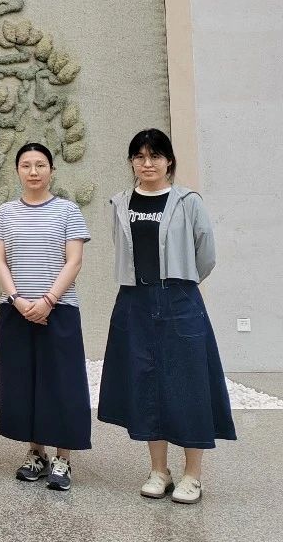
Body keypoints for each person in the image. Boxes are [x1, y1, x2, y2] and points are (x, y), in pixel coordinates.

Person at [98, 128, 235, 504]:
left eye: (155, 156)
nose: (147, 163)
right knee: (146, 384)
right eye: (139, 157)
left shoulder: (188, 201)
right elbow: (121, 248)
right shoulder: (120, 202)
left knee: (188, 384)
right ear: (131, 162)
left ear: (169, 161)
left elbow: (206, 254)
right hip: (134, 301)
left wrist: (180, 281)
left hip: (179, 299)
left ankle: (193, 475)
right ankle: (159, 470)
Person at [0, 142, 92, 491]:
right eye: (26, 165)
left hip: (59, 309)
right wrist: (17, 299)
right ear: (17, 170)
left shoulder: (68, 210)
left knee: (62, 383)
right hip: (15, 310)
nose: (33, 171)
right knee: (24, 382)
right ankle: (36, 453)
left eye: (41, 165)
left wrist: (48, 300)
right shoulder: (5, 212)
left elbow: (73, 261)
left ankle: (63, 457)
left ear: (51, 170)